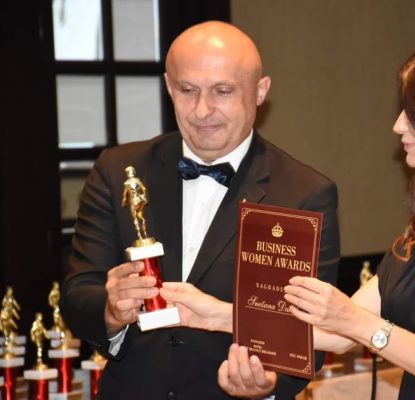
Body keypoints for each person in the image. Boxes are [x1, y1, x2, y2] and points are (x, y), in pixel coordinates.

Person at [170, 32, 415, 399]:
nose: (398, 124)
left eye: (414, 111)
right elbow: (339, 333)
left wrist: (357, 323)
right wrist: (218, 316)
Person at [61, 21, 340, 399]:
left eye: (222, 91)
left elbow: (310, 331)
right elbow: (78, 294)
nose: (202, 110)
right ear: (168, 86)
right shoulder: (118, 171)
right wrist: (110, 311)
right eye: (187, 90)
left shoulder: (304, 193)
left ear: (260, 91)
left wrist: (269, 385)